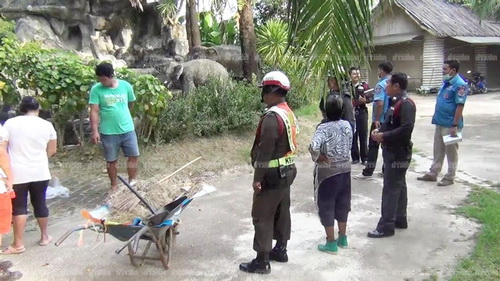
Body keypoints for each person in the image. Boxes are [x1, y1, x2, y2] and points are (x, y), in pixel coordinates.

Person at [239, 71, 299, 274]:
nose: (263, 95)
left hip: (272, 174)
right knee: (282, 211)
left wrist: (257, 179)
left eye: (265, 90)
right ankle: (281, 249)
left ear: (274, 91)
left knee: (262, 215)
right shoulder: (287, 112)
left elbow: (265, 152)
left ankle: (262, 260)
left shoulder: (272, 118)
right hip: (287, 171)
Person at [1, 96, 57, 254]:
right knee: (40, 203)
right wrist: (39, 158)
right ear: (38, 109)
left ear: (21, 109)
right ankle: (45, 237)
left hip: (17, 173)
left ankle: (18, 244)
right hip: (40, 171)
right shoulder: (47, 125)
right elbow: (52, 150)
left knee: (18, 207)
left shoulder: (10, 124)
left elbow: (2, 148)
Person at [368, 72, 416, 238]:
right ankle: (399, 219)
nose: (385, 86)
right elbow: (390, 123)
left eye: (388, 83)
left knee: (390, 188)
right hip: (392, 151)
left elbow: (406, 129)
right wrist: (379, 130)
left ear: (396, 86)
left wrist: (384, 136)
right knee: (399, 185)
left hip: (399, 153)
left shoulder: (407, 104)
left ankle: (386, 226)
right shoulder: (395, 102)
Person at [310, 94, 353, 253]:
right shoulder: (347, 125)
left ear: (325, 112)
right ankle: (343, 238)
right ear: (342, 111)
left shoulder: (323, 128)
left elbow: (313, 146)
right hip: (345, 169)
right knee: (343, 203)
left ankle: (331, 242)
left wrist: (320, 157)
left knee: (327, 205)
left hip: (328, 173)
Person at [89, 62, 140, 194]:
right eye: (99, 79)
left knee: (133, 156)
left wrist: (122, 114)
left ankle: (132, 181)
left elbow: (131, 103)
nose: (101, 81)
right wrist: (94, 131)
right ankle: (114, 185)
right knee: (111, 160)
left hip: (128, 129)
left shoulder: (126, 86)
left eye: (104, 79)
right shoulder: (96, 89)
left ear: (111, 76)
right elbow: (94, 111)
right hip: (108, 132)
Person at [417, 60, 468, 186]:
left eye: (445, 69)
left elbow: (459, 106)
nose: (443, 71)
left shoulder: (460, 85)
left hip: (450, 124)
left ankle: (450, 176)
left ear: (453, 70)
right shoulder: (446, 83)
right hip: (440, 122)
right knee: (438, 149)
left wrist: (454, 125)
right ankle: (433, 172)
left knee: (451, 152)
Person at [354, 62, 392, 179]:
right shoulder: (392, 82)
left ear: (381, 70)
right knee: (387, 146)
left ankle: (368, 172)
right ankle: (386, 171)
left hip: (379, 120)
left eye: (378, 70)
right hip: (389, 119)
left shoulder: (381, 85)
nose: (378, 72)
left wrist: (376, 119)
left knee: (373, 146)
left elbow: (379, 104)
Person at [347, 67, 371, 165]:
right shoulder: (347, 87)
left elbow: (371, 97)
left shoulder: (364, 86)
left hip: (362, 112)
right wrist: (357, 102)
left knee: (363, 135)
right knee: (353, 136)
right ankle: (355, 157)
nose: (356, 75)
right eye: (354, 73)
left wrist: (366, 100)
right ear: (350, 75)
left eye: (358, 73)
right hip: (350, 113)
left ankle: (365, 157)